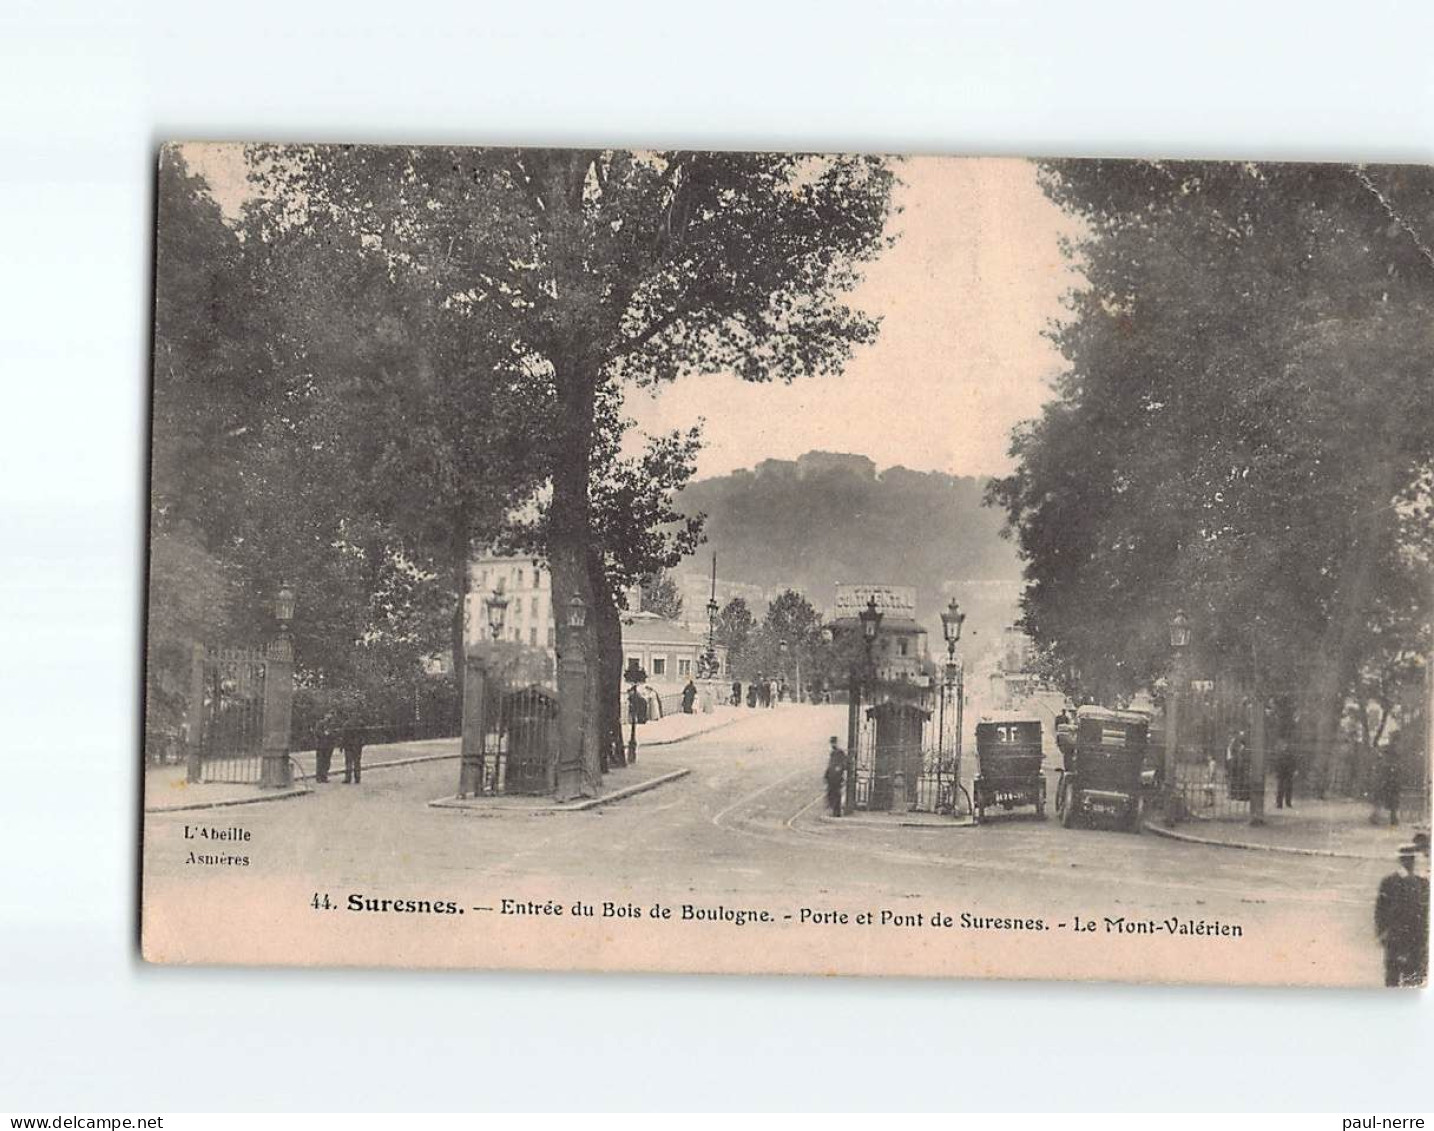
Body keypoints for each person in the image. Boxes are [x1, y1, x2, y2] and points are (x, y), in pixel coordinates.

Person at [1374, 833, 1429, 987]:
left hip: (1415, 939)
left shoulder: (1423, 884)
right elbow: (1380, 911)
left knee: (1413, 981)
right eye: (1406, 859)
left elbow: (1426, 913)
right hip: (1396, 938)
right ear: (1401, 860)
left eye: (1411, 859)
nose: (1409, 862)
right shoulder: (1389, 882)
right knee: (1393, 980)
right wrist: (1382, 933)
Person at [1375, 739, 1403, 826]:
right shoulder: (1386, 761)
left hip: (1391, 783)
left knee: (1391, 801)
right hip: (1388, 783)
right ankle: (1378, 816)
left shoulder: (1391, 762)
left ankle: (1392, 817)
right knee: (1384, 799)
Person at [824, 737, 847, 817]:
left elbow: (844, 763)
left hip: (837, 777)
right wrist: (826, 775)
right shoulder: (832, 753)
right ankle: (832, 810)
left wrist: (839, 768)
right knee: (831, 794)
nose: (833, 744)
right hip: (831, 777)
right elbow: (830, 765)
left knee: (836, 794)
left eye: (834, 743)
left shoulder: (840, 752)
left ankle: (837, 812)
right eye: (832, 743)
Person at [1273, 738, 1298, 810]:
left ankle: (1287, 803)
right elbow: (1276, 763)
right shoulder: (1279, 753)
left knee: (1288, 788)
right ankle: (1279, 804)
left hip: (1288, 772)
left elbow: (1294, 761)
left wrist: (1294, 770)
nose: (1284, 746)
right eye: (1283, 745)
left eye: (1285, 745)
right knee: (1280, 788)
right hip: (1282, 772)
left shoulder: (1290, 753)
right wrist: (1276, 771)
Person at [313, 709, 337, 784]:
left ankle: (324, 776)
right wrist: (325, 734)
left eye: (332, 715)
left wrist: (332, 735)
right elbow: (317, 732)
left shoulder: (332, 725)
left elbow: (335, 734)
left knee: (326, 762)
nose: (330, 716)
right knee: (320, 761)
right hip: (321, 745)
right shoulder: (320, 723)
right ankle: (319, 777)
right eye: (329, 714)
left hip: (329, 746)